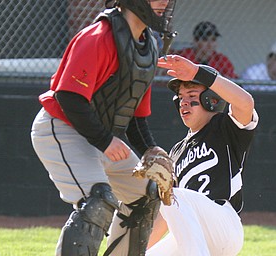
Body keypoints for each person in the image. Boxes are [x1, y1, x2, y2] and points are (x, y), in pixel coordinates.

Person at [30, 0, 177, 255]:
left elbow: (134, 115)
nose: (164, 1)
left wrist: (149, 148)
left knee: (145, 196)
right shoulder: (98, 37)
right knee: (97, 201)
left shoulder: (147, 46)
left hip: (100, 138)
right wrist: (106, 141)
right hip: (62, 127)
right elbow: (69, 96)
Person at [146, 55, 259, 256]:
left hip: (224, 226)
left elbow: (245, 103)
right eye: (181, 98)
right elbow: (166, 216)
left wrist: (199, 73)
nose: (184, 103)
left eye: (192, 96)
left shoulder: (225, 127)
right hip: (193, 234)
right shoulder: (176, 152)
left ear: (211, 99)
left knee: (174, 195)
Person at [174, 21, 238, 79]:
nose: (210, 45)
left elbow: (234, 80)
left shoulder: (221, 59)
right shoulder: (184, 56)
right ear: (196, 41)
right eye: (205, 40)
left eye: (213, 40)